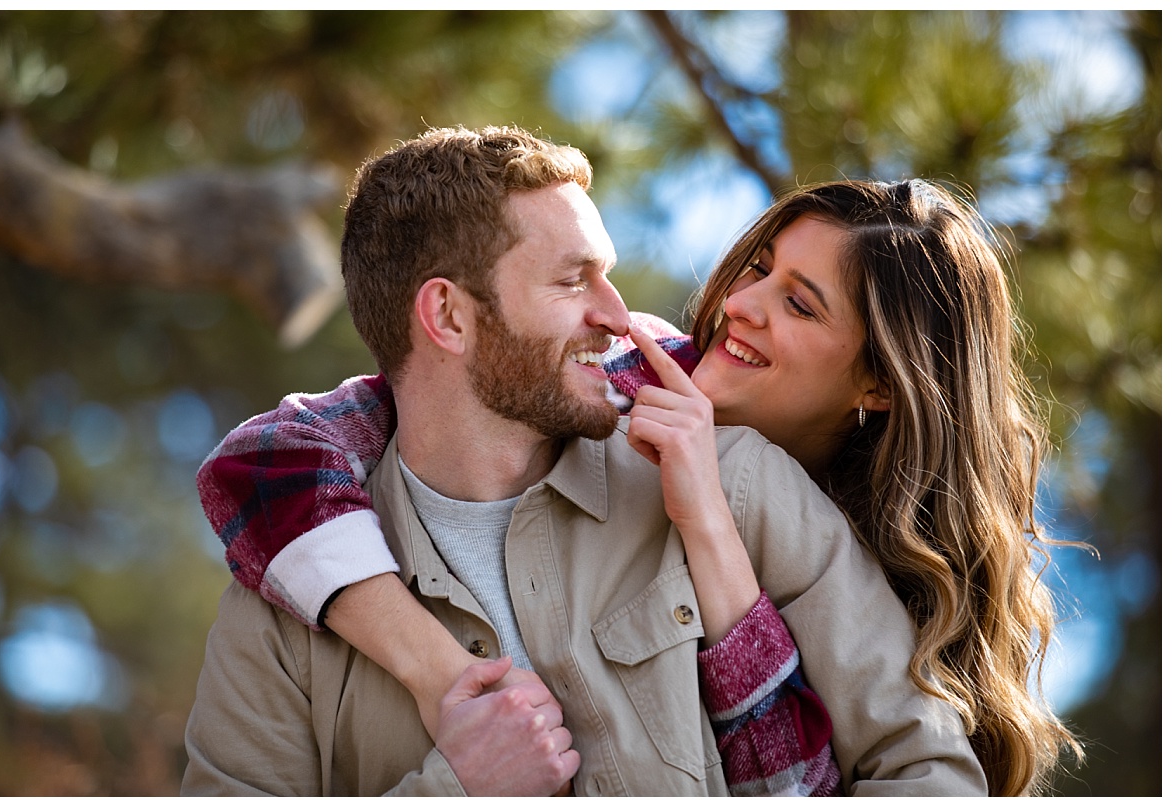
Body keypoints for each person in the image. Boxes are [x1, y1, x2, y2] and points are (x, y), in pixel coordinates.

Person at [184, 125, 987, 796]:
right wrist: (454, 781)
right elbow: (261, 462)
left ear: (879, 385)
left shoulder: (729, 473)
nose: (619, 313)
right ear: (447, 316)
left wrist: (707, 520)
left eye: (801, 302)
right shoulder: (290, 598)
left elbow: (930, 775)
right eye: (575, 280)